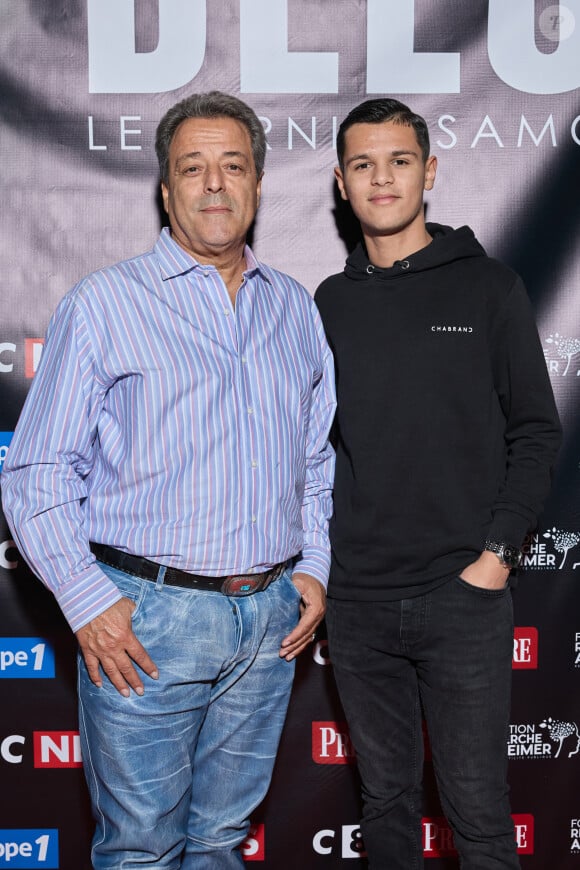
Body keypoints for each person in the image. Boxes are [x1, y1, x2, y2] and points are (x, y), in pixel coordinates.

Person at [2, 91, 335, 868]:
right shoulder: (106, 304)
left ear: (256, 184)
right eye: (194, 168)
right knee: (142, 847)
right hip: (146, 622)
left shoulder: (294, 310)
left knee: (220, 839)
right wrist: (88, 603)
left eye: (234, 166)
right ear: (165, 188)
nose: (215, 184)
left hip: (269, 625)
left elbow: (314, 459)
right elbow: (36, 469)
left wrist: (313, 567)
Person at [315, 98, 561, 869]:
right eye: (363, 164)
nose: (381, 178)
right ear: (340, 182)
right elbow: (308, 450)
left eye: (398, 160)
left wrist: (493, 559)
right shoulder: (327, 303)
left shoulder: (489, 289)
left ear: (429, 171)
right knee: (384, 807)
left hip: (463, 599)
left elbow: (536, 431)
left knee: (480, 815)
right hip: (356, 605)